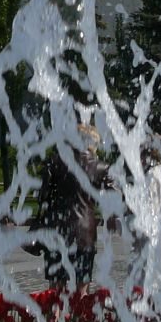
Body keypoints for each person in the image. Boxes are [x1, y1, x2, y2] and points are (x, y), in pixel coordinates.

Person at [35, 124, 107, 290]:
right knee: (82, 289)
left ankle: (55, 316)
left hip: (56, 231)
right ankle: (80, 316)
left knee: (55, 291)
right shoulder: (99, 166)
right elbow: (114, 198)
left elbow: (42, 196)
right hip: (85, 232)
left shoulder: (54, 161)